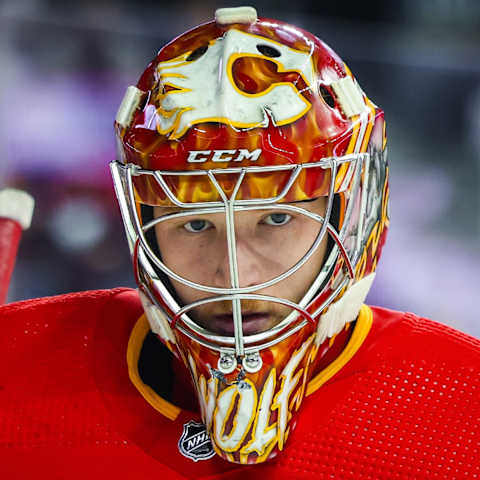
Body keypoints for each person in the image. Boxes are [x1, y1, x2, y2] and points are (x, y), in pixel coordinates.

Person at [1, 6, 479, 479]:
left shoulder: (459, 407)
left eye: (275, 218)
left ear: (353, 211)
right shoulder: (19, 379)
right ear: (140, 219)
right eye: (194, 224)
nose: (234, 273)